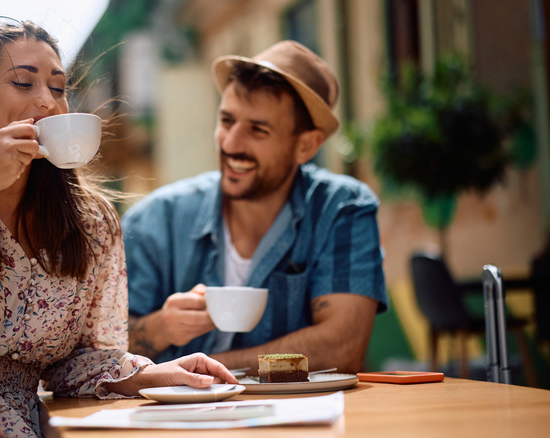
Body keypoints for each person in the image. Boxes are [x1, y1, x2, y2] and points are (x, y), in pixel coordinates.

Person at [0, 18, 235, 438]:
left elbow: (81, 359)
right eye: (24, 83)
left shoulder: (89, 221)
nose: (47, 102)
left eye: (58, 88)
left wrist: (148, 374)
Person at [123, 40, 388, 374]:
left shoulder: (342, 209)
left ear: (306, 145)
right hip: (180, 424)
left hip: (302, 422)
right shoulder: (153, 221)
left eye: (258, 130)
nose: (232, 143)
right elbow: (99, 351)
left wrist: (207, 369)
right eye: (227, 120)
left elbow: (341, 347)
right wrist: (160, 328)